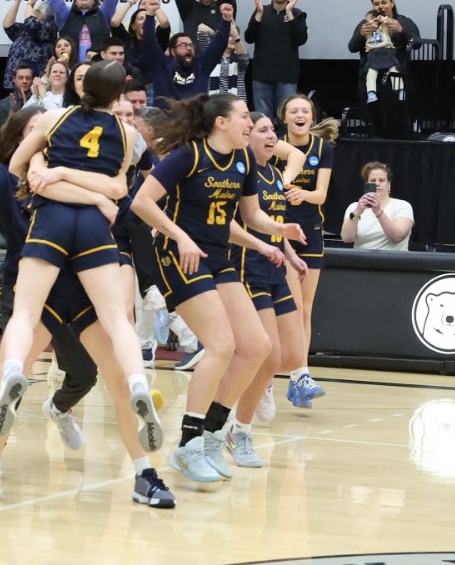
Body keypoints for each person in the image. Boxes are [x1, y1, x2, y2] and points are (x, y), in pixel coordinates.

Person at [0, 104, 177, 511]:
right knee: (9, 378)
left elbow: (122, 208)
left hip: (86, 291)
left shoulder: (91, 166)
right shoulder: (14, 175)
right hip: (41, 291)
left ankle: (145, 472)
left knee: (115, 383)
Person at [0, 60, 163, 467]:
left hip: (52, 219)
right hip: (95, 229)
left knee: (24, 314)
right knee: (118, 318)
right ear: (119, 97)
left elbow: (17, 170)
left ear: (83, 90)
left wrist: (55, 170)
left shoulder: (51, 117)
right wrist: (97, 196)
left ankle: (13, 369)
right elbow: (118, 188)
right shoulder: (129, 134)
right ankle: (138, 381)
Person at [128, 92, 305, 483]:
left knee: (256, 347)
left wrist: (276, 232)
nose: (250, 122)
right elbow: (141, 203)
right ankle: (186, 445)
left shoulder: (242, 160)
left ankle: (212, 434)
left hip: (216, 256)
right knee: (222, 344)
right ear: (222, 122)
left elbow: (249, 215)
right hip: (179, 255)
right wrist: (180, 236)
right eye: (245, 116)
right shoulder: (187, 156)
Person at [223, 112, 313, 464]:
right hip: (248, 268)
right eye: (263, 130)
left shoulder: (275, 175)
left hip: (276, 267)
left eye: (273, 130)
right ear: (247, 137)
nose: (271, 135)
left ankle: (260, 380)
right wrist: (266, 246)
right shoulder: (240, 173)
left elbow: (273, 224)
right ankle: (237, 431)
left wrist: (291, 253)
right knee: (270, 354)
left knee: (292, 354)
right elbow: (238, 221)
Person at [274, 94, 335, 410]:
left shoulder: (323, 148)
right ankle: (295, 374)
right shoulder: (274, 144)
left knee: (306, 309)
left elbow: (322, 195)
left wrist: (302, 194)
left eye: (306, 111)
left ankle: (301, 375)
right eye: (294, 110)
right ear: (284, 117)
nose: (300, 115)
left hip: (310, 233)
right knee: (292, 307)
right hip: (278, 231)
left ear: (312, 117)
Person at [347, 0, 419, 139]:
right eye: (376, 3)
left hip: (396, 76)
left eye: (384, 2)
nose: (380, 6)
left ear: (392, 3)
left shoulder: (404, 21)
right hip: (370, 76)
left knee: (397, 119)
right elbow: (352, 47)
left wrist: (401, 30)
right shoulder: (367, 22)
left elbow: (417, 42)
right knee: (373, 117)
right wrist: (361, 34)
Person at [245, 0, 307, 117]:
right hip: (261, 77)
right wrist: (259, 14)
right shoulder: (261, 11)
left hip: (287, 78)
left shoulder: (297, 14)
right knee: (263, 121)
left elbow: (301, 39)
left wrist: (289, 13)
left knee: (286, 119)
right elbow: (249, 38)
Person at [339, 161, 414, 251]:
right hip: (362, 260)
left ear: (389, 184)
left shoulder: (402, 206)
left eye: (381, 180)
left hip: (394, 261)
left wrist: (379, 212)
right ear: (366, 184)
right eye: (373, 180)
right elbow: (347, 238)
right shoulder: (354, 207)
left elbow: (397, 236)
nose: (377, 184)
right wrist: (357, 212)